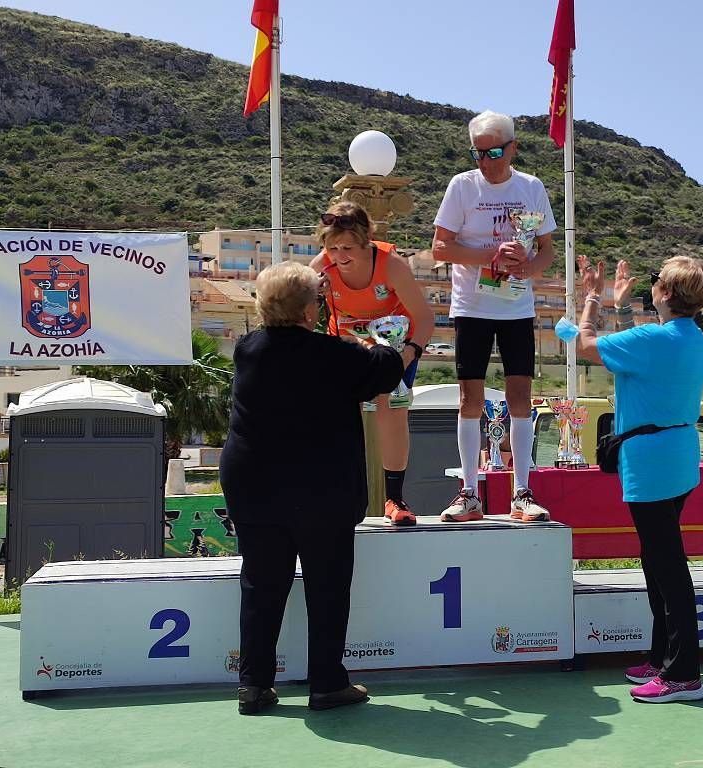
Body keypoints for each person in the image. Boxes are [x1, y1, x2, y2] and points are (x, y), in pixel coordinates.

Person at [220, 261, 407, 714]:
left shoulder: (248, 350)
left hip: (254, 484)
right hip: (321, 488)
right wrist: (387, 337)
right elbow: (386, 368)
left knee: (262, 584)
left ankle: (254, 685)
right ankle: (326, 683)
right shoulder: (335, 355)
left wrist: (308, 296)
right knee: (327, 585)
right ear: (309, 311)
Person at [576, 254, 703, 704]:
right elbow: (638, 352)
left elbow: (585, 346)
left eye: (655, 280)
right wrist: (621, 308)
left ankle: (682, 675)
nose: (651, 284)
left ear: (667, 293)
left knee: (667, 566)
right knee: (659, 561)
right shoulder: (693, 339)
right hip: (676, 457)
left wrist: (592, 298)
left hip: (650, 463)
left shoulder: (656, 338)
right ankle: (661, 659)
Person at [432, 110, 556, 523]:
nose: (485, 161)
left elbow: (547, 253)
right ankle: (469, 492)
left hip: (516, 307)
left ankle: (522, 491)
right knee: (471, 399)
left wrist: (526, 267)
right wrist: (490, 256)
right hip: (471, 306)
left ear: (513, 148)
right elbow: (440, 248)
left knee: (520, 398)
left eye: (494, 152)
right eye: (478, 153)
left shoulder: (531, 187)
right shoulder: (462, 187)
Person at [310, 201, 435, 526]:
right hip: (348, 343)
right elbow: (300, 316)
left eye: (348, 247)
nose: (339, 255)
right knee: (336, 412)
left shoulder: (391, 265)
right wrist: (312, 295)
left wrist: (407, 354)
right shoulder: (320, 268)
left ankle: (395, 498)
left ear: (366, 241)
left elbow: (424, 318)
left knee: (389, 410)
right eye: (332, 247)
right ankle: (337, 492)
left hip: (395, 345)